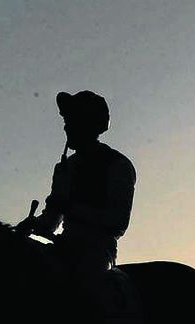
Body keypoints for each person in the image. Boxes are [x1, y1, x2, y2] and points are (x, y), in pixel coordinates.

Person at [17, 90, 136, 286]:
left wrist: (69, 207)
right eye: (66, 121)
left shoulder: (117, 164)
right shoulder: (65, 168)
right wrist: (33, 224)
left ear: (89, 124)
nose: (66, 127)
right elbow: (52, 220)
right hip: (63, 248)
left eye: (72, 121)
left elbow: (118, 221)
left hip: (95, 255)